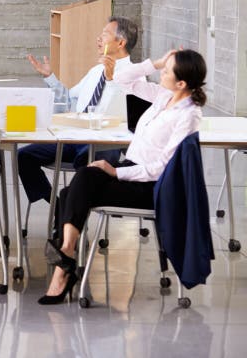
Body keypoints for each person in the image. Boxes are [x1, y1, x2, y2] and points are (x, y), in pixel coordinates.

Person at [38, 48, 206, 305]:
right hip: (132, 171)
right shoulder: (164, 97)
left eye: (167, 70)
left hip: (152, 186)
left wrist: (117, 171)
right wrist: (157, 62)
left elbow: (163, 167)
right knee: (79, 182)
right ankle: (66, 255)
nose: (161, 72)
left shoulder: (188, 115)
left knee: (73, 190)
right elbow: (122, 78)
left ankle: (65, 264)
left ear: (182, 83)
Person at [18, 16, 140, 212]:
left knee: (85, 159)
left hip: (105, 142)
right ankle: (60, 207)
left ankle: (73, 212)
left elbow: (125, 116)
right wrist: (51, 78)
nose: (98, 39)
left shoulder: (136, 74)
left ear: (121, 42)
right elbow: (69, 100)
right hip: (75, 137)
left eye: (105, 35)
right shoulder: (95, 71)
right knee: (24, 156)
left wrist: (111, 81)